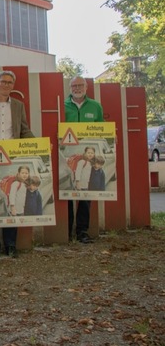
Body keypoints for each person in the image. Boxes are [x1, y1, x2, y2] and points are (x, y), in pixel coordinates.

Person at [0, 70, 34, 258]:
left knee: (11, 199)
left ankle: (10, 244)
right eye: (3, 81)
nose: (6, 85)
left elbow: (24, 130)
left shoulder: (18, 105)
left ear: (13, 85)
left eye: (10, 82)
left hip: (14, 157)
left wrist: (38, 145)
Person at [65, 76, 105, 244]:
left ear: (87, 87)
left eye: (80, 85)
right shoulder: (63, 106)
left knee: (86, 194)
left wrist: (111, 136)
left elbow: (102, 128)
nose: (77, 88)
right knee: (66, 192)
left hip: (88, 158)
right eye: (74, 85)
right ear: (70, 87)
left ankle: (82, 231)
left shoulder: (96, 106)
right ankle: (67, 232)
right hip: (68, 157)